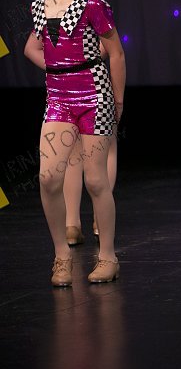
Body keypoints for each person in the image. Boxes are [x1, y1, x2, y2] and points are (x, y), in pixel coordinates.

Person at [24, 0, 126, 286]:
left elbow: (116, 53)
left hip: (94, 95)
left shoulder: (91, 4)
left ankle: (108, 256)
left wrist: (117, 101)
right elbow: (34, 48)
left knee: (95, 179)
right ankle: (62, 256)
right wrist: (58, 69)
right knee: (48, 177)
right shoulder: (39, 6)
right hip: (58, 99)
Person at [26, 38, 119, 246]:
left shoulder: (49, 15)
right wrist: (78, 66)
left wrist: (60, 67)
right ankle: (99, 220)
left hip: (64, 89)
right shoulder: (93, 13)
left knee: (73, 152)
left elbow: (30, 48)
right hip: (93, 86)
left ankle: (71, 225)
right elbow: (109, 48)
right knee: (107, 147)